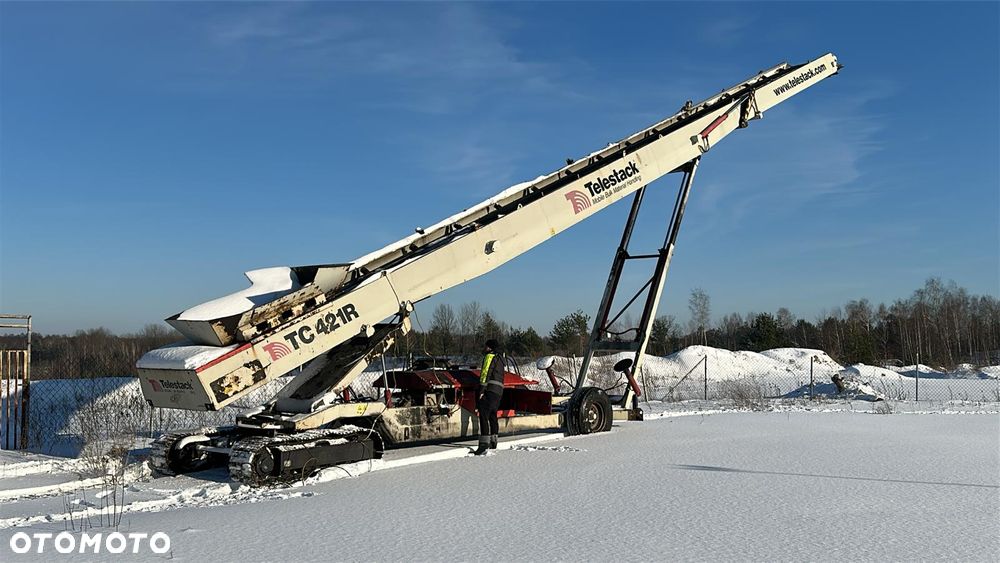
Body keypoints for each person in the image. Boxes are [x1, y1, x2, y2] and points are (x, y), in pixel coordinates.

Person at [473, 338, 504, 455]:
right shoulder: (501, 359)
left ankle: (483, 444)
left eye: (486, 346)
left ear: (490, 348)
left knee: (484, 416)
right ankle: (493, 442)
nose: (484, 348)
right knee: (492, 415)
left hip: (489, 390)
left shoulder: (489, 357)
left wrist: (481, 390)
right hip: (498, 391)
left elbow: (485, 374)